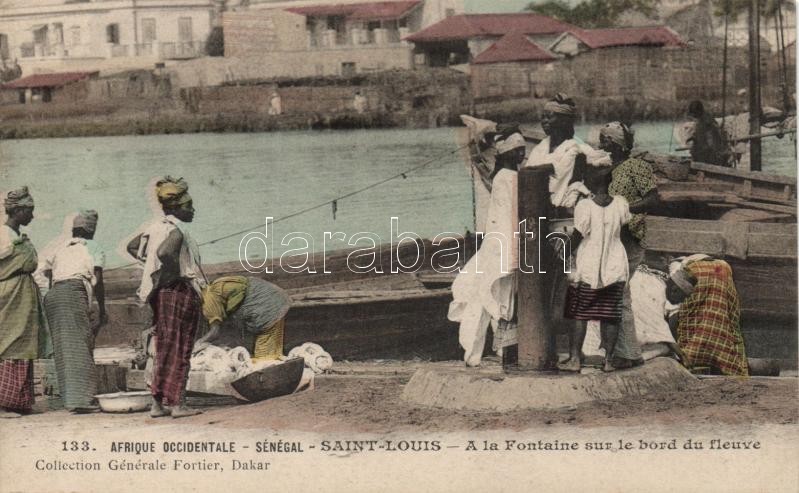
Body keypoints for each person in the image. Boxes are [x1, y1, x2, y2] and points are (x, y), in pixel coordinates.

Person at [126, 177, 207, 418]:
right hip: (177, 291)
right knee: (180, 347)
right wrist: (173, 274)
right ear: (175, 208)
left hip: (159, 293)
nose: (192, 210)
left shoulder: (155, 226)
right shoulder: (176, 231)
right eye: (188, 206)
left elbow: (133, 247)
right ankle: (179, 404)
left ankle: (157, 404)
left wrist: (152, 269)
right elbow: (165, 253)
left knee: (162, 346)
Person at [448, 132, 524, 366]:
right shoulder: (509, 178)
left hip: (498, 243)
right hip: (504, 244)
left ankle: (484, 352)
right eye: (518, 149)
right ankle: (504, 352)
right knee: (501, 298)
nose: (522, 153)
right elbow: (512, 215)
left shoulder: (504, 176)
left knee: (492, 295)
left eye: (523, 148)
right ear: (507, 153)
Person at [599, 121, 660, 368]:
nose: (600, 145)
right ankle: (626, 353)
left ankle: (627, 354)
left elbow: (653, 198)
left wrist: (622, 209)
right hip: (610, 238)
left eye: (604, 140)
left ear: (614, 143)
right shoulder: (603, 168)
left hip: (629, 238)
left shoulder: (636, 166)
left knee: (617, 294)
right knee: (617, 294)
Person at [560, 166, 632, 372]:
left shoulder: (584, 206)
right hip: (615, 263)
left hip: (589, 264)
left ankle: (574, 359)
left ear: (592, 182)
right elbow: (624, 233)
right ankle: (609, 360)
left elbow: (577, 235)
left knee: (580, 312)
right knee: (610, 313)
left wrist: (563, 254)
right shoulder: (620, 204)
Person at [41, 210, 107, 413]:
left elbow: (50, 275)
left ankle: (71, 399)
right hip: (73, 291)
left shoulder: (61, 248)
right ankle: (84, 401)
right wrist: (102, 309)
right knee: (81, 345)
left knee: (63, 349)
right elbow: (98, 279)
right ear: (92, 230)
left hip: (53, 295)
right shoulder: (93, 246)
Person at [0, 187, 47, 417]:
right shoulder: (3, 235)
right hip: (10, 295)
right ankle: (4, 404)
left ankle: (19, 401)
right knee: (10, 342)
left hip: (22, 294)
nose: (32, 216)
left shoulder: (17, 236)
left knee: (24, 343)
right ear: (17, 210)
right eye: (29, 211)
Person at [524, 93, 608, 213]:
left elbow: (600, 160)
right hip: (536, 204)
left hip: (561, 207)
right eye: (543, 117)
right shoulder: (539, 148)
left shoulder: (576, 147)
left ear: (564, 121)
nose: (544, 121)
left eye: (549, 117)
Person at [666, 256, 748, 376]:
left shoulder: (671, 280)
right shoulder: (679, 267)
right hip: (722, 268)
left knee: (689, 317)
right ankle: (726, 361)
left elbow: (674, 315)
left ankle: (692, 356)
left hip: (695, 273)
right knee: (718, 315)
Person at [193, 276, 291, 362]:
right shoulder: (214, 287)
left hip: (266, 306)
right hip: (276, 297)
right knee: (274, 353)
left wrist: (199, 342)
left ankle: (267, 379)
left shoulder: (208, 301)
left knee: (264, 355)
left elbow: (215, 331)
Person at [686, 100, 731, 167]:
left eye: (694, 114)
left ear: (698, 112)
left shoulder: (706, 122)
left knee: (697, 152)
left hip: (712, 155)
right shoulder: (703, 119)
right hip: (709, 151)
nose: (693, 116)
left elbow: (711, 142)